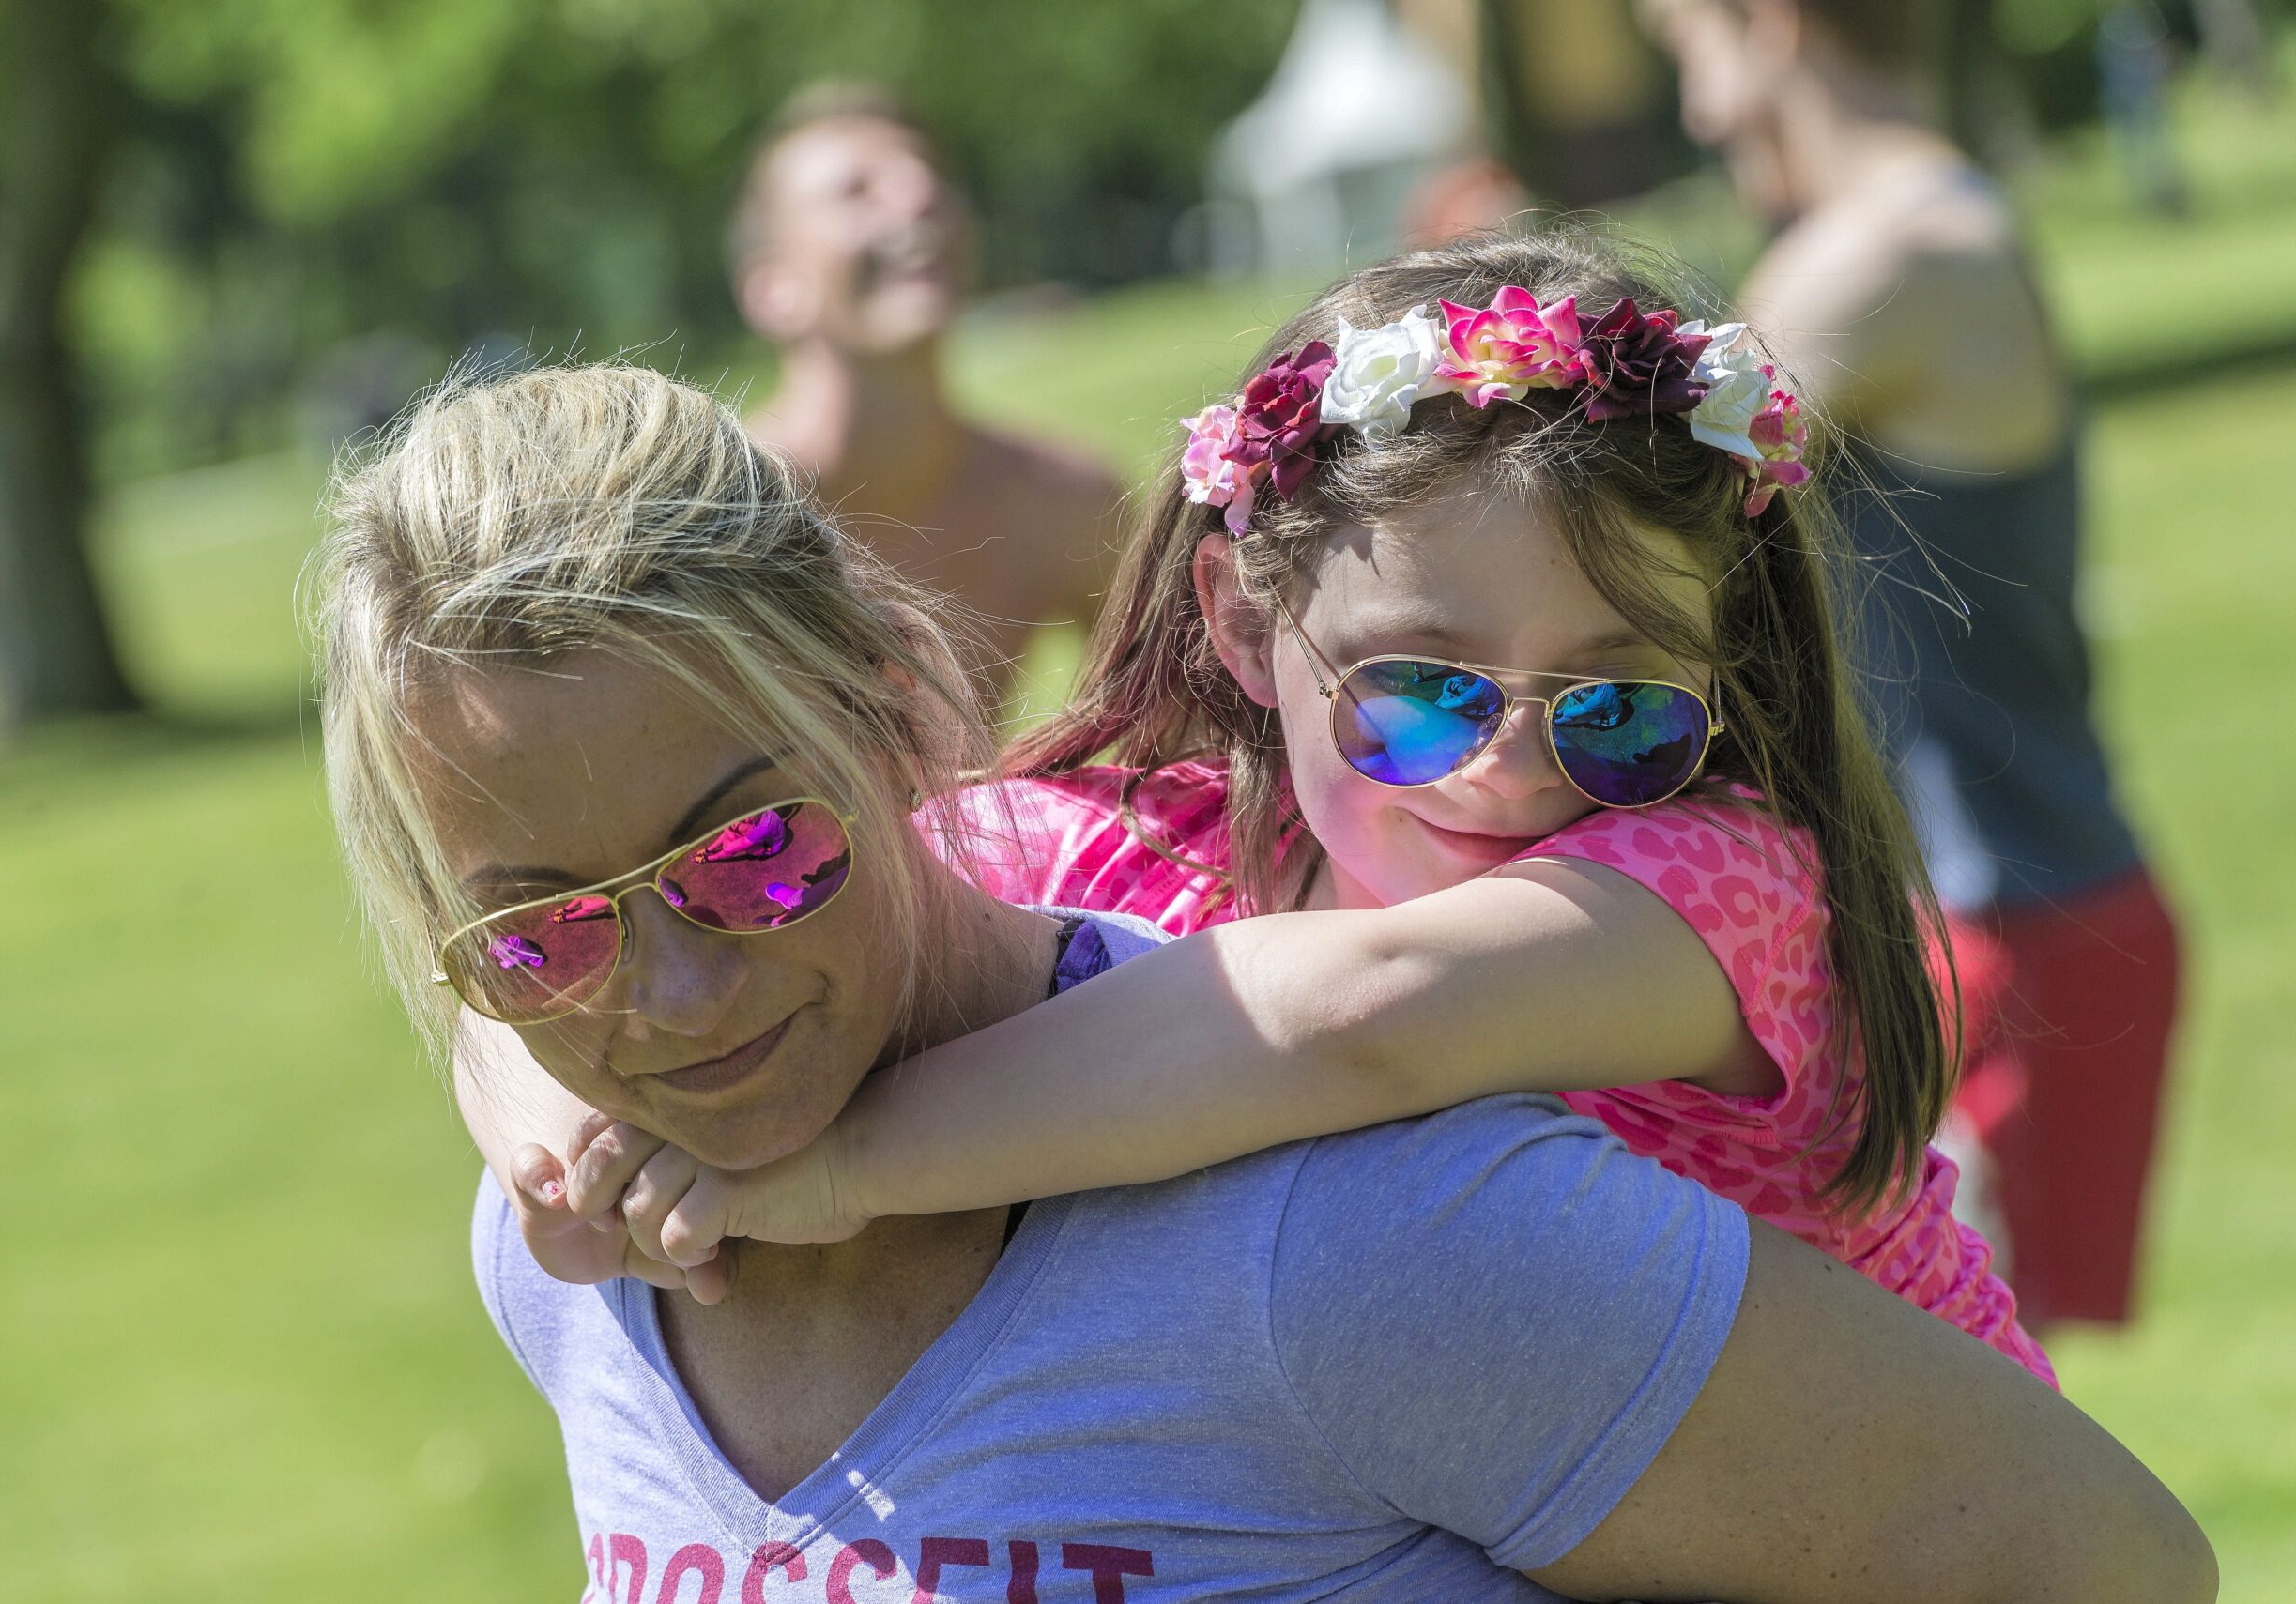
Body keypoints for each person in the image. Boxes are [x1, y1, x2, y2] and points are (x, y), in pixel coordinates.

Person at [314, 360, 2213, 1600]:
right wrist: (545, 1122)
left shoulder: (1366, 1218)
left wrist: (828, 1169)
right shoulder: (572, 1247)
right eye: (537, 928)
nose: (663, 998)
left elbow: (2094, 1559)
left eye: (748, 852)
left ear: (896, 705)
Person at [494, 229, 2049, 1385]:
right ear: (1244, 623)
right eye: (1418, 692)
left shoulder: (1719, 878)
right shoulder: (1136, 841)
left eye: (1620, 706)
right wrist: (561, 1130)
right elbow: (668, 919)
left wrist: (828, 1168)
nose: (1507, 768)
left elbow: (1364, 1014)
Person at [1642, 0, 2182, 1329]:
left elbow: (1641, 535)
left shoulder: (1895, 260)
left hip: (2002, 928)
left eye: (1686, 51)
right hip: (1999, 914)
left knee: (1953, 1419)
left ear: (1764, 27)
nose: (1695, 110)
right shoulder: (1935, 229)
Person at [728, 82, 1122, 692]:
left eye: (928, 174)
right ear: (773, 288)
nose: (920, 196)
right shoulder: (719, 526)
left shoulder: (1062, 500)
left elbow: (1189, 729)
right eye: (856, 190)